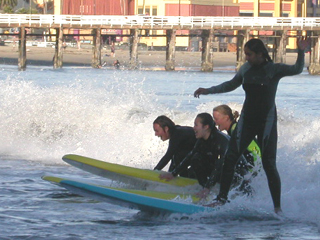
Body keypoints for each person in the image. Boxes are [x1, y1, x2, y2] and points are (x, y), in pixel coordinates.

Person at [194, 37, 310, 213]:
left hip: (266, 122)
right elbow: (231, 84)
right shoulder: (246, 69)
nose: (246, 57)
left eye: (249, 54)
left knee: (269, 164)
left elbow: (296, 69)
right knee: (230, 158)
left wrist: (301, 52)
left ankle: (277, 208)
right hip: (247, 120)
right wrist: (209, 90)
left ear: (260, 54)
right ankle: (221, 200)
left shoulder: (273, 69)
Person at [160, 113, 248, 198]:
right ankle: (205, 188)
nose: (193, 128)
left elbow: (220, 165)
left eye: (196, 125)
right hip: (223, 172)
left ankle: (209, 190)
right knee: (195, 158)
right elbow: (190, 156)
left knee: (218, 165)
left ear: (206, 127)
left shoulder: (220, 141)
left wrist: (208, 188)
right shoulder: (202, 140)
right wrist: (174, 173)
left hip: (238, 175)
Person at [213, 104, 261, 170]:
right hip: (257, 164)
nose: (214, 122)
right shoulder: (235, 128)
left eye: (216, 119)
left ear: (226, 118)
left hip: (256, 165)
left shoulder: (235, 131)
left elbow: (251, 153)